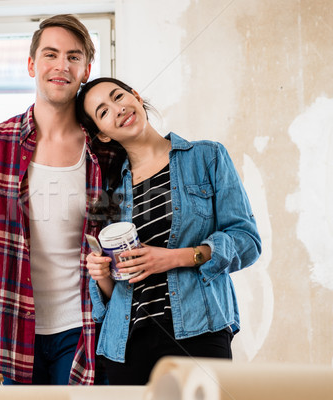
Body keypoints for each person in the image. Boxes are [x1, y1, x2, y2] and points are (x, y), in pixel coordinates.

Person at [0, 14, 103, 385]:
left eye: (74, 57)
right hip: (13, 331)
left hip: (86, 333)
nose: (61, 65)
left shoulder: (105, 151)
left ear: (86, 70)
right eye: (51, 54)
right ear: (32, 64)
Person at [75, 77, 262, 385]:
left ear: (135, 96)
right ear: (103, 135)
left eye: (118, 96)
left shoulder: (207, 157)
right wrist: (102, 274)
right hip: (126, 345)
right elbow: (117, 286)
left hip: (200, 331)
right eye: (103, 112)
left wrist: (175, 257)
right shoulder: (109, 195)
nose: (118, 110)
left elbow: (247, 241)